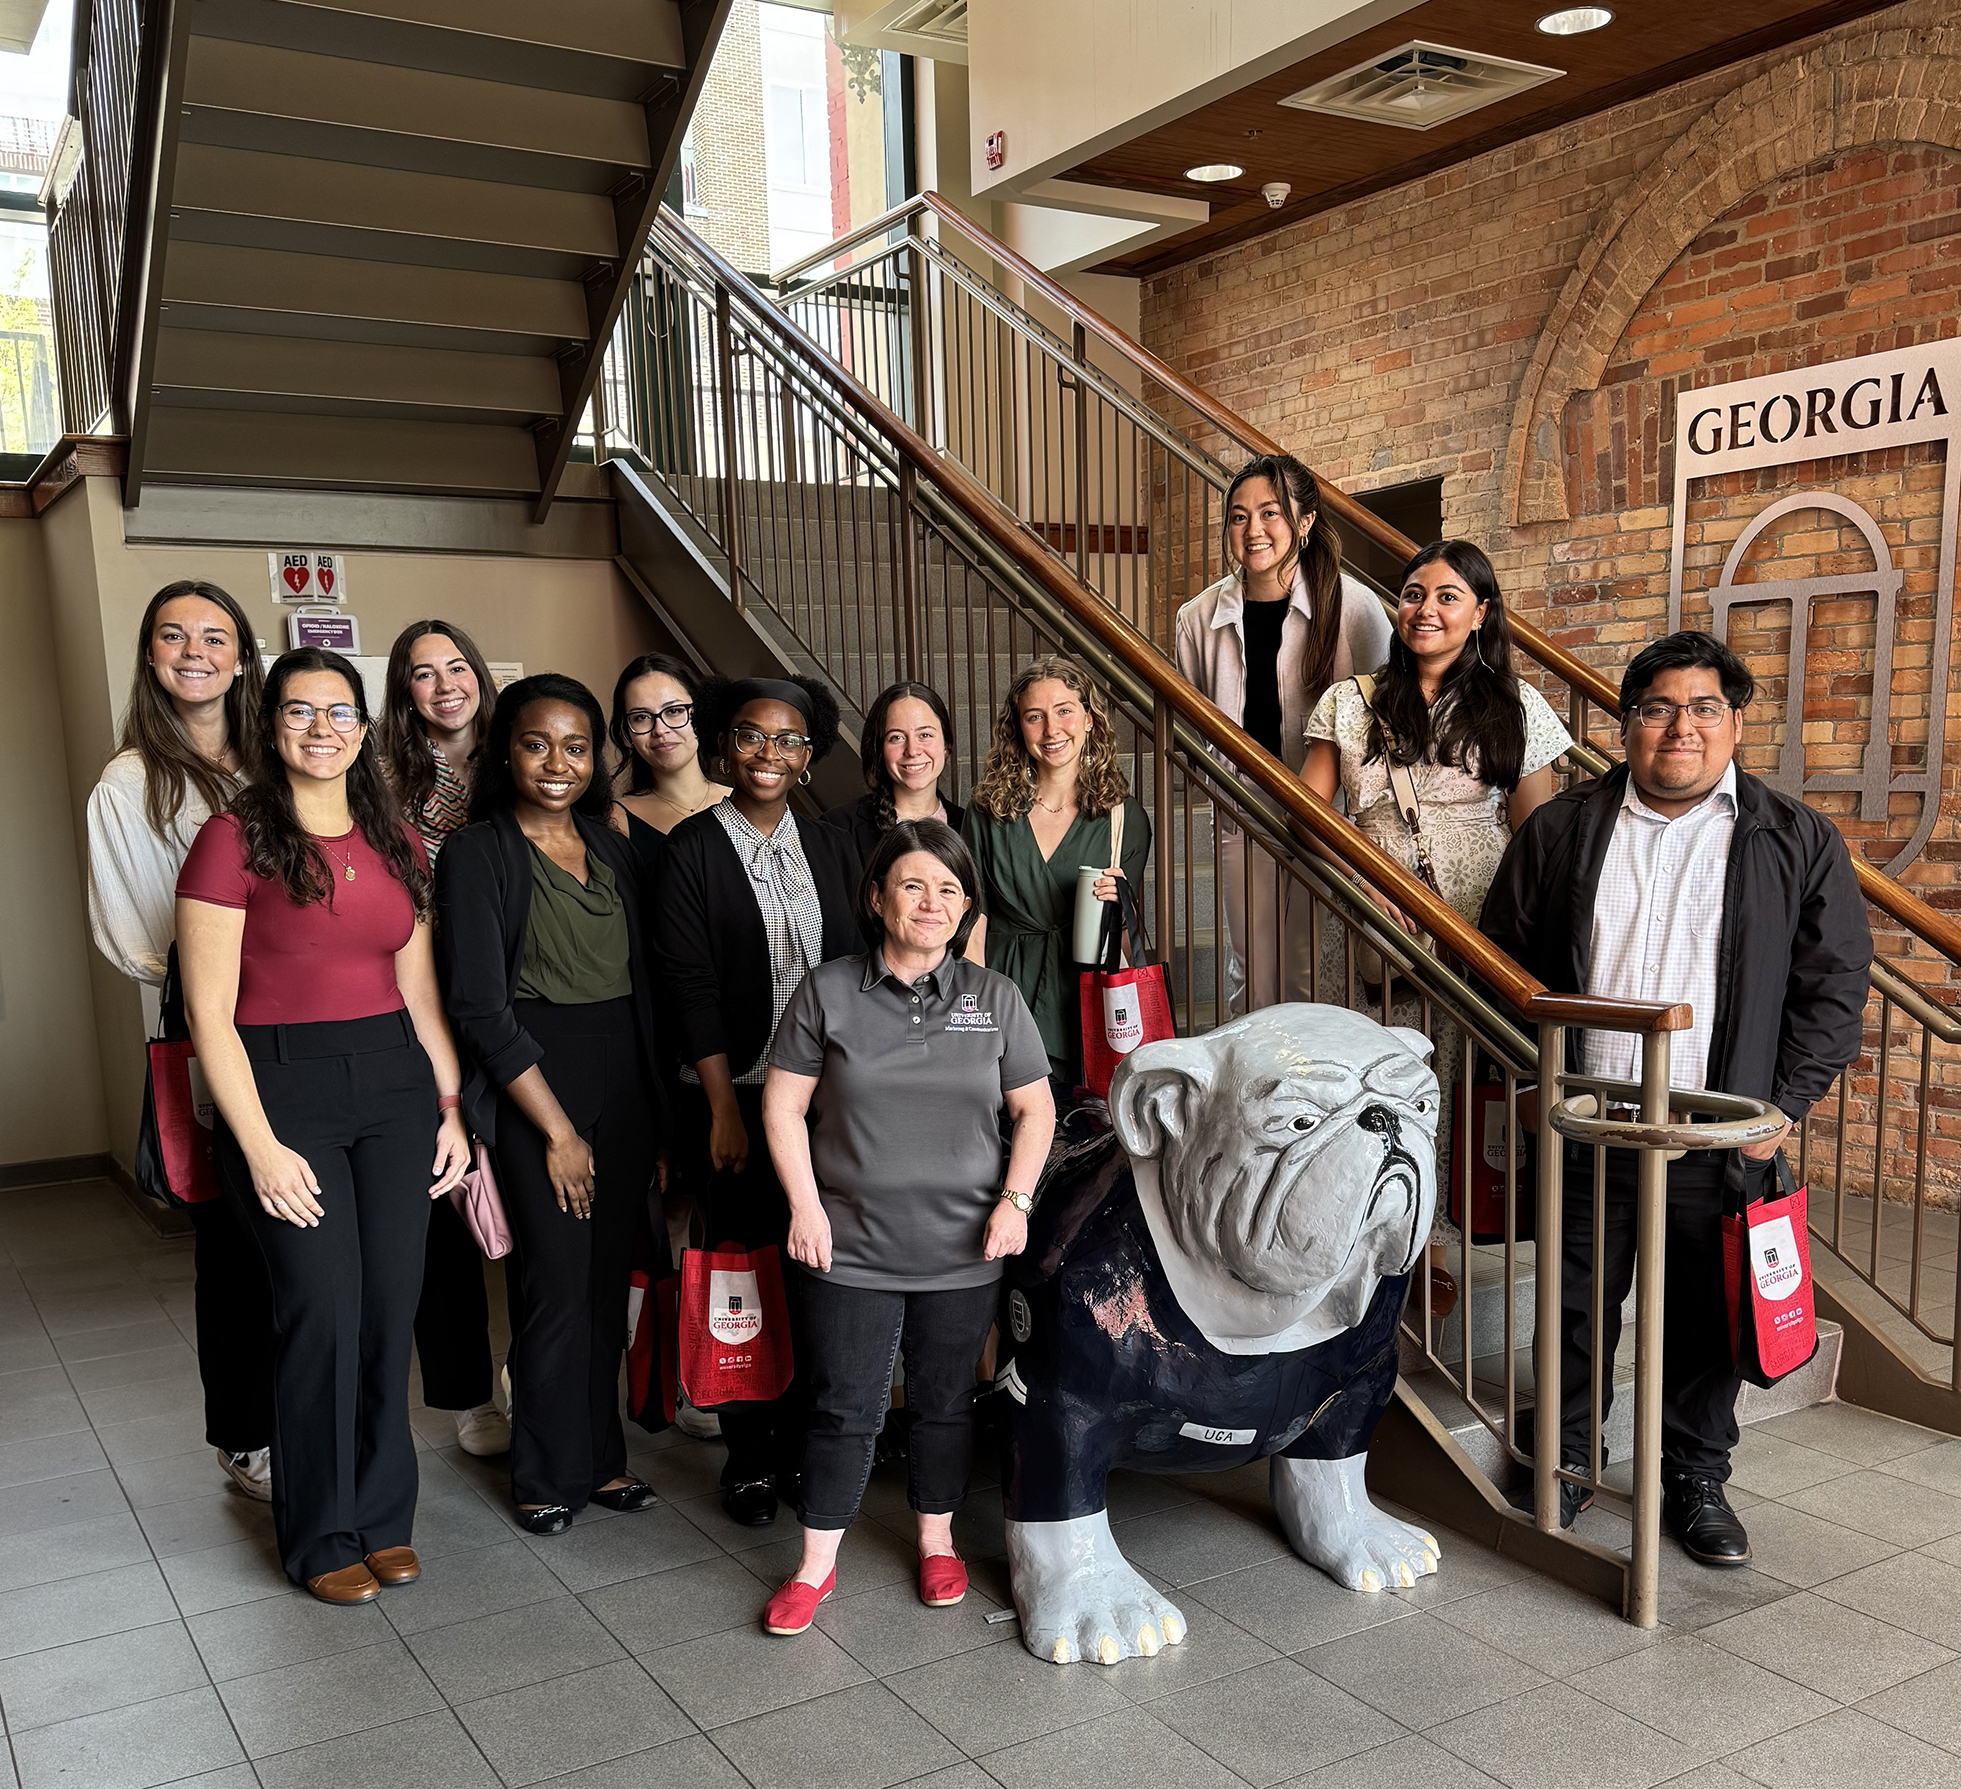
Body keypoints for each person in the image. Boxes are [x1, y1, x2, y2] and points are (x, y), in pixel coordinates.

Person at [1480, 630, 1871, 1566]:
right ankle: (1568, 1458)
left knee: (1704, 1317)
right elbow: (1497, 963)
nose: (1679, 727)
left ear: (1734, 722)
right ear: (1626, 724)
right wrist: (1526, 1081)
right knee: (1576, 1305)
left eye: (1703, 707)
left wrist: (1781, 1108)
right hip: (1588, 1124)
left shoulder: (1793, 838)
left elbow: (1832, 983)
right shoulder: (1562, 828)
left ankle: (1694, 1477)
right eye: (1657, 707)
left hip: (1718, 1134)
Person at [176, 648, 471, 1604]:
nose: (321, 729)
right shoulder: (231, 838)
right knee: (320, 1309)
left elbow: (417, 989)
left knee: (387, 1308)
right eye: (299, 711)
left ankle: (382, 1517)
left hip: (394, 1085)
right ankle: (319, 1532)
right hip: (281, 1089)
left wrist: (450, 1106)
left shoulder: (397, 839)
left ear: (364, 728)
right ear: (270, 726)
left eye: (340, 712)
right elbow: (208, 1013)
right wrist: (258, 1145)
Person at [758, 821, 1055, 1632]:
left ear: (965, 908)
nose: (932, 903)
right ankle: (814, 1565)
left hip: (963, 1247)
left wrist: (1015, 1202)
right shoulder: (827, 991)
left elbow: (1034, 1111)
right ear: (877, 897)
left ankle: (935, 1542)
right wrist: (805, 1205)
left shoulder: (993, 997)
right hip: (847, 1244)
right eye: (914, 885)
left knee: (944, 1403)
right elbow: (781, 1105)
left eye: (949, 889)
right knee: (843, 1405)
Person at [437, 674, 671, 1535]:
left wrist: (652, 1114)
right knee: (554, 1287)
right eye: (536, 743)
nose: (556, 763)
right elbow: (478, 1008)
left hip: (624, 1081)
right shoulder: (478, 853)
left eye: (576, 747)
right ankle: (542, 1470)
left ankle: (601, 1459)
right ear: (506, 750)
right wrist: (559, 1131)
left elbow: (645, 986)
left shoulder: (611, 846)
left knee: (606, 1286)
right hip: (538, 1085)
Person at [653, 675, 862, 1526]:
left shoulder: (834, 845)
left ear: (808, 756)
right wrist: (721, 1109)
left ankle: (806, 1450)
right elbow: (689, 985)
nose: (768, 753)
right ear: (722, 746)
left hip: (828, 1106)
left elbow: (858, 969)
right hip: (735, 1097)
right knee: (743, 1275)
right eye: (750, 735)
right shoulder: (692, 847)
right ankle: (747, 1456)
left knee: (820, 1277)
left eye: (787, 740)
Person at [86, 580, 275, 1503]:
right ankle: (247, 1435)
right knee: (235, 1236)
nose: (194, 651)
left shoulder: (279, 757)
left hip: (306, 1015)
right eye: (173, 635)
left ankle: (310, 1415)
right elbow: (135, 936)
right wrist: (216, 976)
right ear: (150, 655)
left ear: (242, 658)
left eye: (214, 636)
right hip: (209, 1019)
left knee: (304, 1226)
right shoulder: (130, 782)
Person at [1175, 455, 1391, 1009]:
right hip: (1245, 813)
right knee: (1253, 979)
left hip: (1331, 819)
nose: (1253, 530)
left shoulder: (1354, 607)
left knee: (1313, 977)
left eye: (1270, 512)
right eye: (1239, 516)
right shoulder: (1197, 619)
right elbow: (1190, 724)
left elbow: (1387, 714)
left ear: (1305, 520)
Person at [380, 619, 509, 1461]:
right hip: (418, 1003)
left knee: (531, 1194)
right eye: (423, 673)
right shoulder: (381, 781)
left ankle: (533, 1368)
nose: (444, 684)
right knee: (444, 1203)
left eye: (456, 666)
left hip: (514, 1001)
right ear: (405, 691)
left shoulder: (518, 757)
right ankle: (469, 1393)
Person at [1301, 539, 1571, 931]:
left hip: (1483, 914)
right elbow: (1304, 815)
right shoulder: (1347, 701)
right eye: (1414, 595)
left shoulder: (1518, 706)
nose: (1426, 609)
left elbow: (1533, 839)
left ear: (1480, 613)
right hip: (1374, 914)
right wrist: (1365, 884)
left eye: (1448, 597)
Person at [962, 656, 1150, 1092]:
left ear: (1089, 718)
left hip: (1083, 999)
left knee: (1084, 1123)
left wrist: (1121, 906)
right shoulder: (987, 811)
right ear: (1018, 727)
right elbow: (973, 922)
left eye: (1064, 711)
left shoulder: (1124, 818)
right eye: (1035, 717)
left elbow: (1126, 939)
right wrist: (973, 1013)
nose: (1052, 730)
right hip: (1005, 989)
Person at [607, 652, 731, 877]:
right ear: (627, 732)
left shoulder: (743, 802)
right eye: (641, 717)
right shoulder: (616, 820)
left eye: (674, 711)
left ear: (701, 714)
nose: (660, 730)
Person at [822, 680, 965, 862]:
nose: (912, 751)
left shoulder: (969, 827)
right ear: (879, 749)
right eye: (896, 737)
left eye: (925, 735)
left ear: (946, 745)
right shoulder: (837, 828)